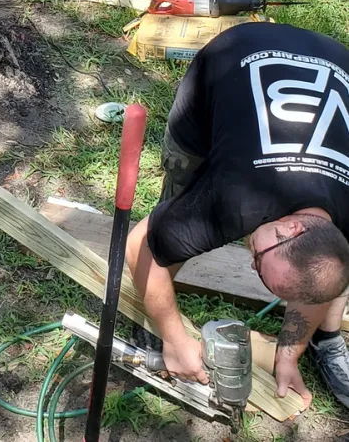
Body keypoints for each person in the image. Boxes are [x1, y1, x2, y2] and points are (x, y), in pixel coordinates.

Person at [126, 21, 349, 411]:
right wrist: (177, 340)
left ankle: (322, 338)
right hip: (233, 52)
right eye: (260, 265)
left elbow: (318, 279)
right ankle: (154, 315)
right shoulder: (232, 199)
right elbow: (141, 245)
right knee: (178, 198)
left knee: (328, 272)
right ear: (290, 227)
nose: (250, 262)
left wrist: (287, 353)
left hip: (333, 58)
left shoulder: (341, 228)